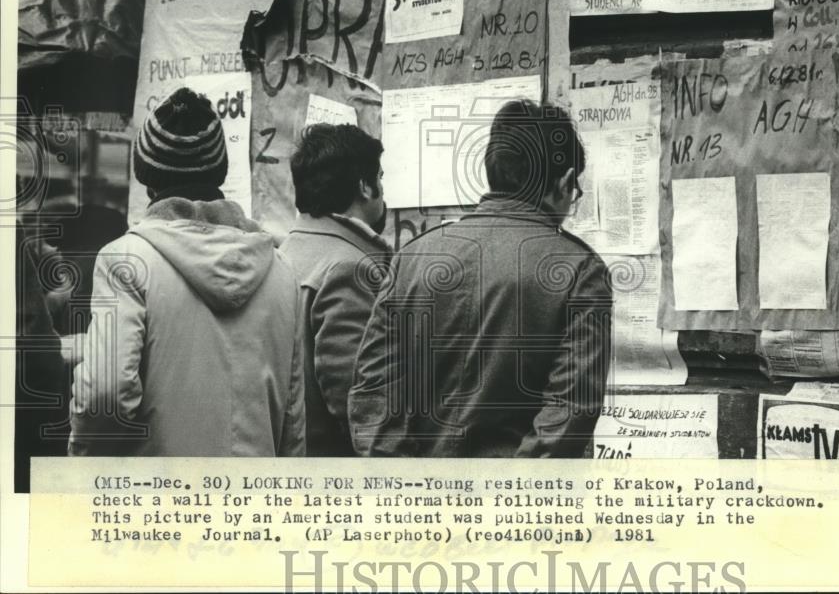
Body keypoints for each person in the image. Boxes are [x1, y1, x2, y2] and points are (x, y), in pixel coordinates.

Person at [349, 99, 613, 457]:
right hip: (517, 507)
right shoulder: (581, 270)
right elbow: (568, 412)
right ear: (565, 182)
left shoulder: (409, 259)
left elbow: (372, 393)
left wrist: (403, 487)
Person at [69, 87, 304, 456]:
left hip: (162, 501)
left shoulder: (125, 261)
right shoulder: (282, 269)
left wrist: (87, 471)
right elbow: (292, 417)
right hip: (255, 503)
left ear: (147, 178)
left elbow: (105, 392)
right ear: (219, 172)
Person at [279, 123, 392, 456]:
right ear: (364, 187)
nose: (383, 188)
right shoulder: (351, 268)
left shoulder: (285, 253)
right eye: (380, 177)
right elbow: (358, 402)